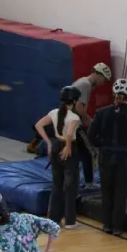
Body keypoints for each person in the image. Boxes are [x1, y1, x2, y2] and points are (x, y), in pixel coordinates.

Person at [88, 78, 127, 235]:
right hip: (124, 159)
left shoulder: (101, 113)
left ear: (113, 94)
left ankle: (107, 224)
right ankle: (118, 227)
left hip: (106, 157)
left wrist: (103, 145)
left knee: (107, 191)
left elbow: (91, 135)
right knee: (120, 193)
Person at [35, 86, 82, 229]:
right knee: (70, 185)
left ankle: (53, 218)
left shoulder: (54, 112)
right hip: (68, 148)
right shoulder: (74, 117)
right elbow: (69, 134)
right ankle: (69, 221)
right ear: (74, 101)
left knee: (56, 183)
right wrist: (68, 147)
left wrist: (48, 143)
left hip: (55, 146)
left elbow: (38, 125)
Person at [70, 62, 112, 187]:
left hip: (71, 122)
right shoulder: (85, 85)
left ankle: (85, 180)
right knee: (90, 151)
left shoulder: (83, 82)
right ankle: (87, 182)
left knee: (83, 151)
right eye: (103, 79)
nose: (103, 83)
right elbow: (79, 109)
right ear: (98, 75)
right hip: (74, 124)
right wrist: (91, 122)